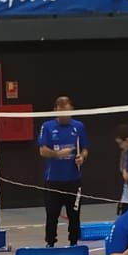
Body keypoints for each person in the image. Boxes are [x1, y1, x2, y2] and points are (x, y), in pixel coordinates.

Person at [38, 95, 88, 246]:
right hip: (53, 180)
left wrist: (82, 157)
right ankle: (50, 243)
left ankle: (74, 243)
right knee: (52, 214)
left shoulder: (79, 126)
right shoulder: (47, 126)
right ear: (55, 110)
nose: (65, 114)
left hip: (73, 180)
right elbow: (42, 150)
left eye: (67, 110)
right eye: (61, 111)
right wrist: (57, 154)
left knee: (74, 215)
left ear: (71, 109)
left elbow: (85, 149)